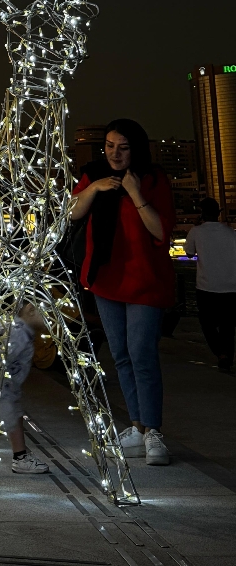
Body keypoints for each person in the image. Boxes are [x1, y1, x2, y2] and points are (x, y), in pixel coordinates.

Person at [71, 118, 175, 466]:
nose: (115, 153)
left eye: (124, 147)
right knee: (121, 357)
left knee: (142, 354)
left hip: (145, 280)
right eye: (110, 146)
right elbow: (71, 214)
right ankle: (136, 426)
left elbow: (160, 231)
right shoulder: (93, 173)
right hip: (106, 280)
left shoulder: (153, 179)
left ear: (138, 148)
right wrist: (93, 189)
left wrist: (134, 192)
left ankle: (153, 431)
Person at [185, 198, 236, 373]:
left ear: (202, 213)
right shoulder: (231, 233)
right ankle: (227, 355)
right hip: (231, 286)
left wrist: (196, 226)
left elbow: (189, 253)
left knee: (207, 322)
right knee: (228, 324)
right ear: (218, 213)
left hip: (206, 286)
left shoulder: (196, 232)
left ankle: (220, 353)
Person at [0, 301, 49, 474]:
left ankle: (20, 454)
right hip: (2, 387)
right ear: (30, 309)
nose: (50, 322)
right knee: (3, 421)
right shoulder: (19, 333)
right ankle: (20, 458)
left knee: (13, 417)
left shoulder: (16, 328)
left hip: (7, 386)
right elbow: (0, 357)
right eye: (47, 316)